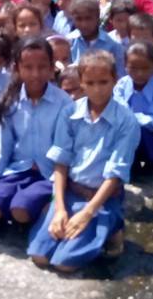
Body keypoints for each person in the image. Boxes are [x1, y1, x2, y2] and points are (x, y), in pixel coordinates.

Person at [27, 50, 139, 271]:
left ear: (115, 81)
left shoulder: (126, 120)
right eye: (90, 82)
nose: (97, 89)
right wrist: (59, 207)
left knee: (65, 264)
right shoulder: (70, 113)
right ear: (81, 83)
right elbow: (61, 163)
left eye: (103, 82)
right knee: (39, 256)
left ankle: (113, 226)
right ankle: (70, 221)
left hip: (102, 198)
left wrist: (87, 213)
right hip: (71, 192)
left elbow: (116, 174)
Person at [0, 37, 72, 226]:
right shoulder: (11, 101)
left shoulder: (63, 103)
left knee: (21, 209)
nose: (35, 74)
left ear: (51, 68)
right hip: (18, 168)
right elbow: (3, 145)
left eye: (42, 67)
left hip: (48, 173)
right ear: (17, 68)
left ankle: (39, 212)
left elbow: (63, 147)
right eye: (28, 67)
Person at [113, 40, 153, 171]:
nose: (139, 73)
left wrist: (130, 119)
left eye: (145, 68)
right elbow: (118, 112)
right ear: (125, 66)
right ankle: (131, 163)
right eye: (133, 68)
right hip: (130, 134)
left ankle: (152, 162)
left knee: (140, 131)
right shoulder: (121, 86)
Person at [67, 0, 127, 77]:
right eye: (79, 19)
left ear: (98, 17)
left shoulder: (114, 47)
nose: (84, 24)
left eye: (88, 18)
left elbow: (120, 78)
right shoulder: (68, 42)